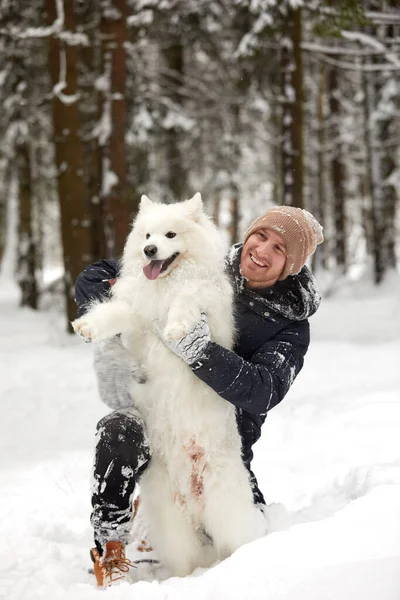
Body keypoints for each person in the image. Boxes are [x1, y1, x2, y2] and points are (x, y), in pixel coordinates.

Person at [74, 205, 323, 587]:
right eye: (261, 236)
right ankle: (111, 543)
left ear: (290, 264)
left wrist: (199, 351)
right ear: (249, 234)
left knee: (236, 551)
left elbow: (262, 391)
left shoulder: (290, 325)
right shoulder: (199, 257)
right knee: (118, 430)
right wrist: (120, 301)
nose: (262, 250)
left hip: (222, 436)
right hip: (161, 419)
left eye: (279, 248)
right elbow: (102, 273)